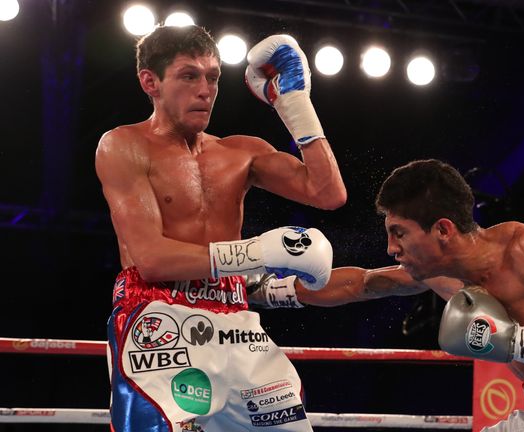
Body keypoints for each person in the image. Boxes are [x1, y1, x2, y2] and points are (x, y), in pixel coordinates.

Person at [249, 159, 524, 431]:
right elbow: (361, 284)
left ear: (442, 230)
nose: (392, 248)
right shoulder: (446, 276)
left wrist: (512, 341)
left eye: (400, 233)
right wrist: (264, 292)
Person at [95, 24, 346, 431]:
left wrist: (295, 103)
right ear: (150, 82)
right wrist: (259, 253)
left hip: (235, 319)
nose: (205, 89)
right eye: (189, 75)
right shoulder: (123, 145)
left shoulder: (240, 152)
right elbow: (152, 259)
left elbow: (327, 192)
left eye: (213, 77)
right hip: (159, 316)